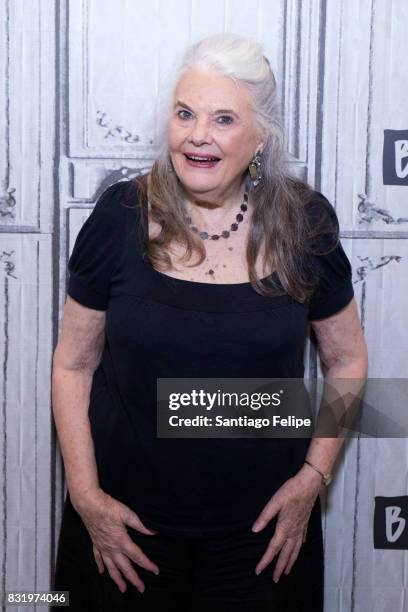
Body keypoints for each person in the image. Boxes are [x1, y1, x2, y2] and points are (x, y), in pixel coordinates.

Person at [51, 32, 368, 611]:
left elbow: (346, 360)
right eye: (185, 114)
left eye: (224, 119)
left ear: (261, 137)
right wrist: (85, 495)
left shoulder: (305, 224)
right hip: (122, 534)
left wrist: (311, 481)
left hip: (265, 539)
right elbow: (73, 363)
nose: (198, 135)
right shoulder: (119, 217)